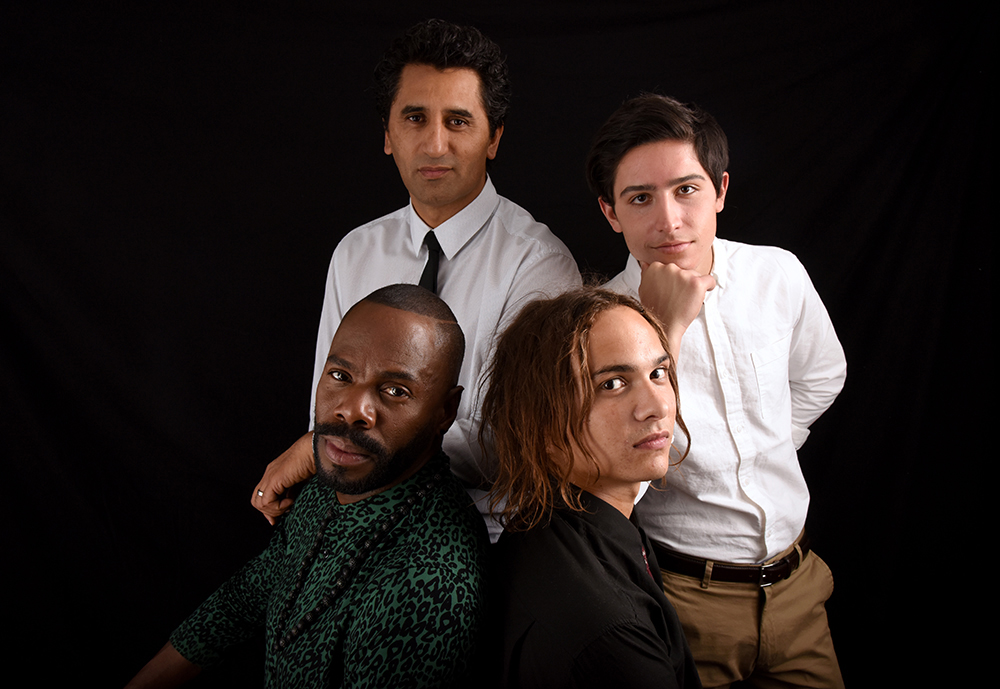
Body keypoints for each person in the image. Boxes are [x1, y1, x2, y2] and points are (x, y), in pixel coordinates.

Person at [250, 19, 580, 531]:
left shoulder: (538, 264)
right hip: (351, 524)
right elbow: (327, 407)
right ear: (387, 134)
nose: (434, 144)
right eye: (415, 118)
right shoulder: (356, 252)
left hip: (482, 542)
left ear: (494, 137)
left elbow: (519, 445)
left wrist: (329, 449)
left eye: (458, 121)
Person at [585, 94, 847, 687]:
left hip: (797, 587)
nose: (669, 220)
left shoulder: (777, 274)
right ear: (610, 212)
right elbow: (610, 468)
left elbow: (822, 374)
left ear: (721, 190)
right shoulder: (595, 320)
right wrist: (663, 328)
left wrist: (764, 446)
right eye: (640, 198)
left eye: (686, 190)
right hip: (682, 596)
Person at [127, 285, 488, 688]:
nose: (351, 410)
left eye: (395, 391)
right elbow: (242, 601)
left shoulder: (425, 584)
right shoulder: (333, 482)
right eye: (340, 375)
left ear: (445, 411)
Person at [483, 287, 701, 689]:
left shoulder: (553, 530)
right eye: (613, 384)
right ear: (540, 419)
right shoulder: (610, 635)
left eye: (658, 373)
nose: (657, 406)